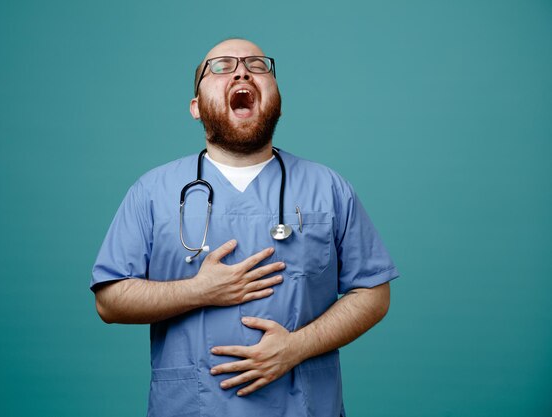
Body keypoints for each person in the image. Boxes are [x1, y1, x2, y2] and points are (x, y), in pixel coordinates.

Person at [91, 38, 399, 417]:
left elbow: (373, 293)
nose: (242, 71)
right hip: (191, 407)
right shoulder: (152, 193)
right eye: (220, 67)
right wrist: (199, 290)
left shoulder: (328, 188)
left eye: (257, 65)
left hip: (303, 406)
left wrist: (296, 347)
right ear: (196, 107)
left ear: (277, 98)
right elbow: (109, 301)